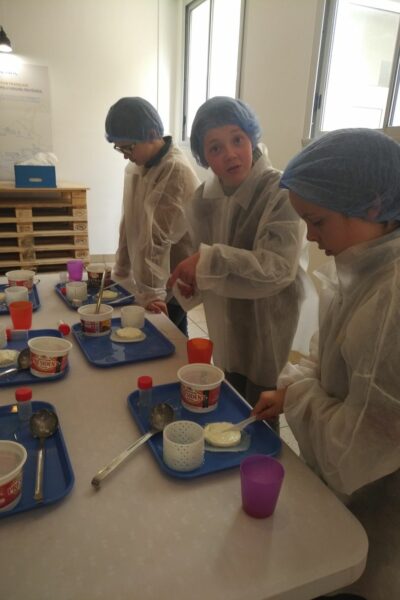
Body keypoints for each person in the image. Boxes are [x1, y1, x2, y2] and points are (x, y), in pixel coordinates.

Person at [252, 128, 400, 599]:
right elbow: (326, 354)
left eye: (317, 222)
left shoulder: (393, 297)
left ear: (373, 207)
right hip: (345, 499)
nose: (311, 238)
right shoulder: (363, 264)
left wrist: (297, 394)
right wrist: (292, 386)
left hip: (382, 510)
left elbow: (354, 451)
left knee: (362, 577)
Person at [168, 96, 317, 430]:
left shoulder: (281, 191)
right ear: (203, 156)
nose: (230, 154)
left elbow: (277, 269)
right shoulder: (203, 200)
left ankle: (262, 456)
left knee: (262, 406)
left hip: (270, 318)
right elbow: (208, 267)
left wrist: (207, 261)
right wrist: (195, 281)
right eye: (215, 147)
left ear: (252, 137)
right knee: (231, 392)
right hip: (225, 321)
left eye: (237, 139)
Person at [105, 96, 199, 335]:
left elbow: (158, 238)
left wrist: (152, 295)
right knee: (173, 334)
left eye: (128, 147)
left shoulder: (174, 169)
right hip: (153, 274)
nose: (125, 155)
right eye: (119, 148)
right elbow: (128, 222)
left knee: (169, 336)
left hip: (174, 274)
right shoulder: (138, 167)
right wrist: (121, 271)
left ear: (151, 134)